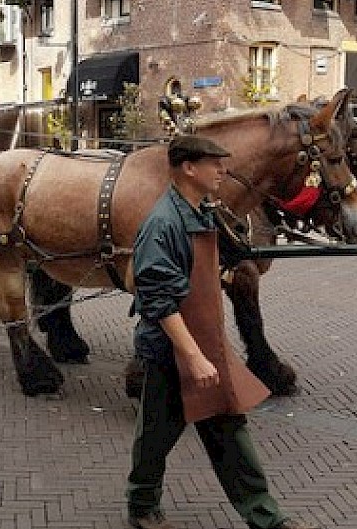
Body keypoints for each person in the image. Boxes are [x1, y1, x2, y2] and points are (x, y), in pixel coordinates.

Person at [126, 134, 313, 529]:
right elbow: (158, 300)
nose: (222, 170)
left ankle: (266, 517)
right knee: (156, 437)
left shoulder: (200, 211)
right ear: (188, 168)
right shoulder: (163, 222)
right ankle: (142, 505)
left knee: (229, 428)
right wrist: (192, 357)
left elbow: (209, 264)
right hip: (171, 351)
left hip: (204, 345)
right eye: (214, 163)